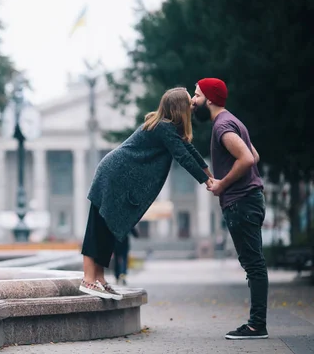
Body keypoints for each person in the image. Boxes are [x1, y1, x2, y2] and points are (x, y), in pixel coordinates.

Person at [80, 87, 213, 299]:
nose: (192, 106)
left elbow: (190, 151)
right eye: (189, 102)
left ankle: (100, 279)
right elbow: (183, 157)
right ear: (179, 108)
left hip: (119, 176)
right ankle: (88, 279)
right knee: (98, 226)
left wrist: (209, 174)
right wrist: (207, 181)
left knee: (110, 228)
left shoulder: (170, 129)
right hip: (113, 175)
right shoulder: (163, 127)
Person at [192, 77, 268, 340]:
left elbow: (246, 158)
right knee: (254, 263)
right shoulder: (232, 121)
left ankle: (257, 325)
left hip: (242, 202)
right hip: (250, 200)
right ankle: (257, 323)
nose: (193, 100)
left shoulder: (222, 125)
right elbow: (254, 156)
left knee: (254, 265)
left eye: (197, 95)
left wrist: (222, 184)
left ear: (210, 100)